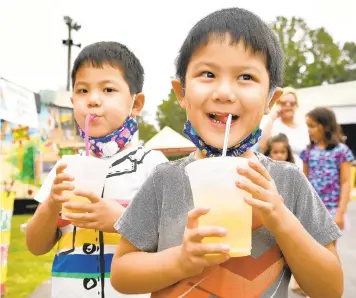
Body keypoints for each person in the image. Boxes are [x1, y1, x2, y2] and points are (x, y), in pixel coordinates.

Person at [110, 8, 343, 298]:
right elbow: (121, 275)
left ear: (272, 99)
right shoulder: (164, 181)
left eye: (246, 76)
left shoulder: (288, 182)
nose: (224, 92)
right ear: (181, 92)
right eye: (207, 74)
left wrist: (281, 219)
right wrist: (181, 261)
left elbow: (330, 289)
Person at [25, 41, 167, 298]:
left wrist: (121, 221)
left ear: (136, 104)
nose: (92, 100)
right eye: (82, 91)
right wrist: (51, 205)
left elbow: (170, 241)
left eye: (108, 89)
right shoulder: (64, 169)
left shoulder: (153, 166)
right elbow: (35, 246)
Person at [301, 107, 354, 230]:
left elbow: (345, 182)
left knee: (329, 247)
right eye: (307, 126)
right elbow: (305, 181)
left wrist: (340, 212)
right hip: (312, 209)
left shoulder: (341, 151)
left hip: (332, 209)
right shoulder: (308, 152)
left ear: (325, 126)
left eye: (312, 126)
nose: (309, 130)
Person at [258, 87, 309, 168]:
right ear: (278, 104)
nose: (288, 105)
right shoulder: (272, 124)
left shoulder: (304, 127)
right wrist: (272, 118)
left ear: (296, 105)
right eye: (283, 103)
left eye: (292, 103)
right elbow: (262, 147)